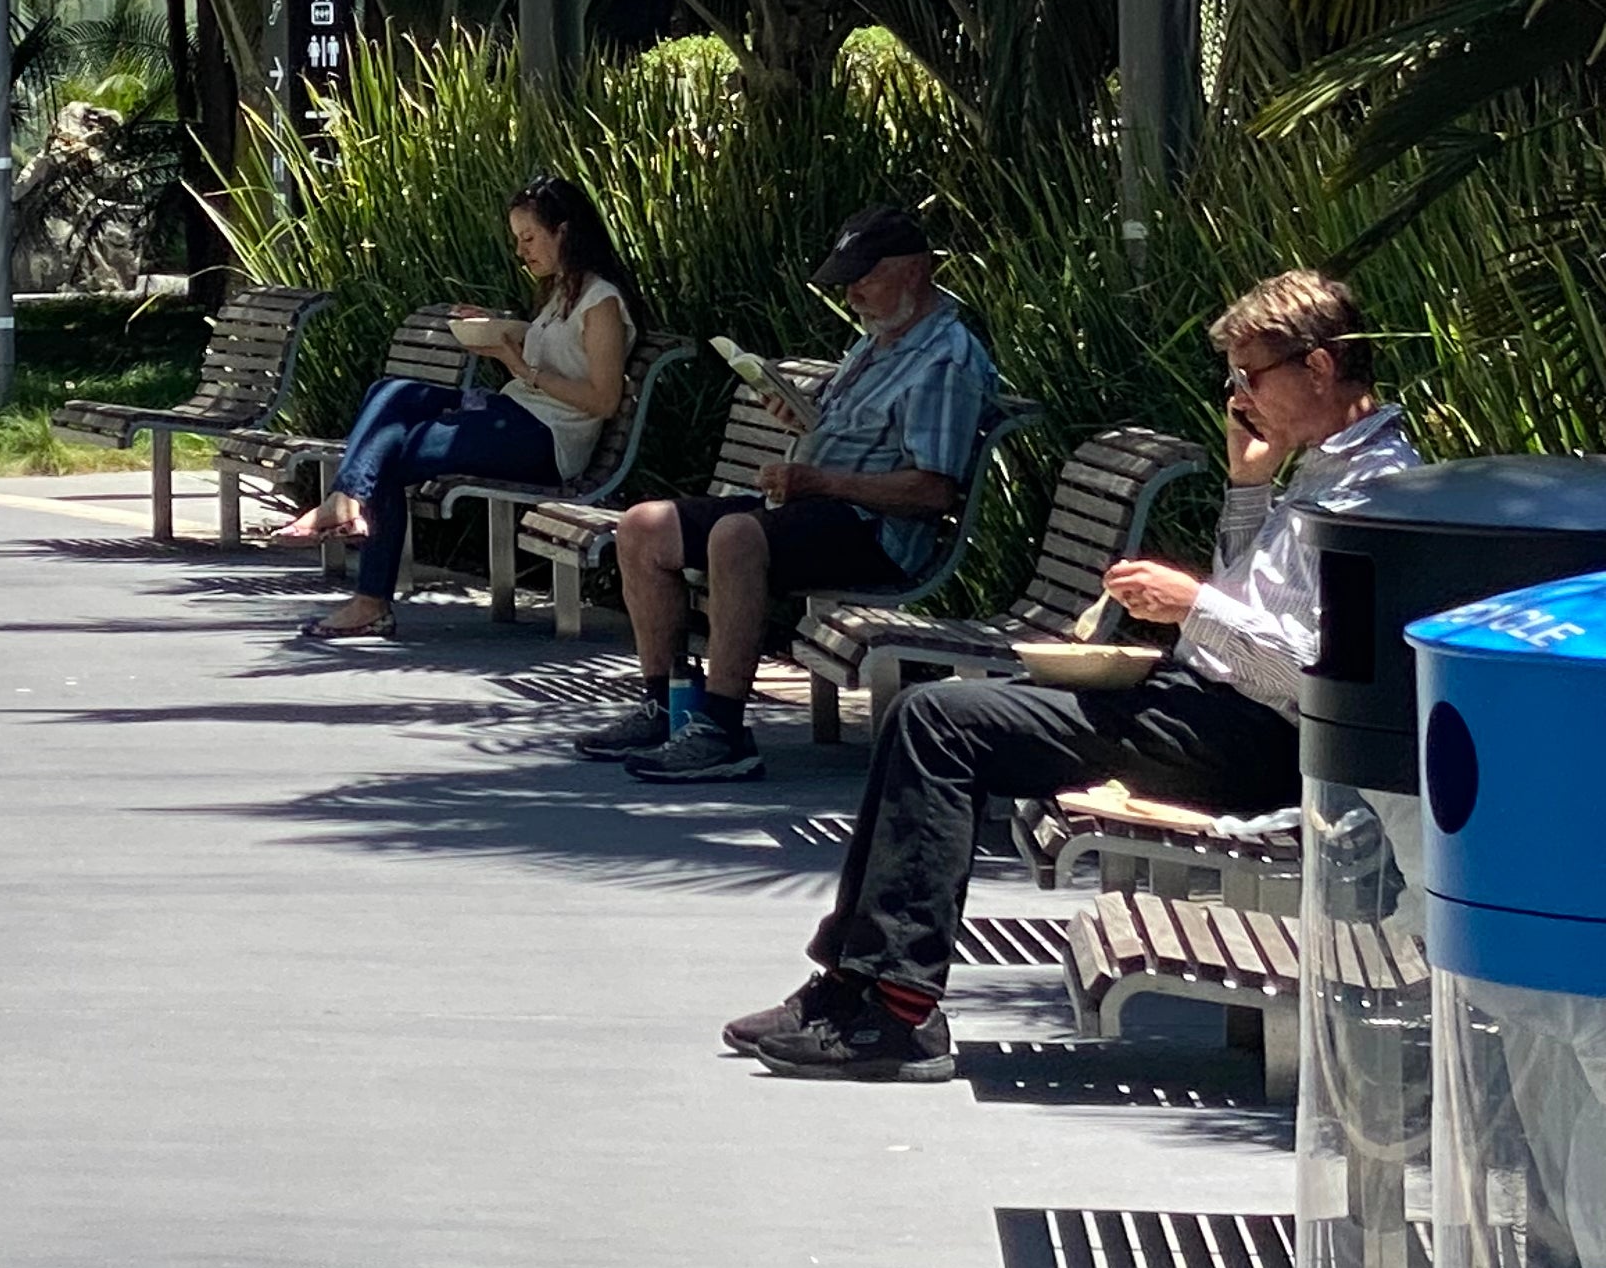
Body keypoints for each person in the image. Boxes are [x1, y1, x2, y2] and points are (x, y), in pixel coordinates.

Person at [722, 267, 1415, 1079]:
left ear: (1321, 368)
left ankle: (900, 1013)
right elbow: (1259, 601)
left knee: (942, 726)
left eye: (1249, 375)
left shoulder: (1379, 491)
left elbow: (1318, 675)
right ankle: (851, 986)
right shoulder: (1324, 468)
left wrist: (1192, 606)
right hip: (1205, 702)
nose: (1238, 396)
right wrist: (1248, 491)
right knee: (932, 712)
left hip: (1261, 740)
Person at [577, 203, 998, 783]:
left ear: (918, 269)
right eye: (846, 280)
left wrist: (820, 480)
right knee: (644, 526)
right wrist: (799, 416)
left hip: (876, 530)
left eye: (865, 277)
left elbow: (931, 492)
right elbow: (847, 432)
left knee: (736, 537)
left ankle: (722, 731)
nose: (853, 294)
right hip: (814, 506)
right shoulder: (876, 344)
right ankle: (665, 705)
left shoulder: (944, 361)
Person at [275, 177, 641, 643]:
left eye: (529, 238)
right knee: (392, 392)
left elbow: (604, 399)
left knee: (395, 452)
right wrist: (498, 329)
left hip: (547, 440)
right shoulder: (561, 292)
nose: (522, 251)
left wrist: (519, 367)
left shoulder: (601, 301)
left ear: (564, 232)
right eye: (518, 240)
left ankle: (368, 592)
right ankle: (346, 503)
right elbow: (562, 352)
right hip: (516, 412)